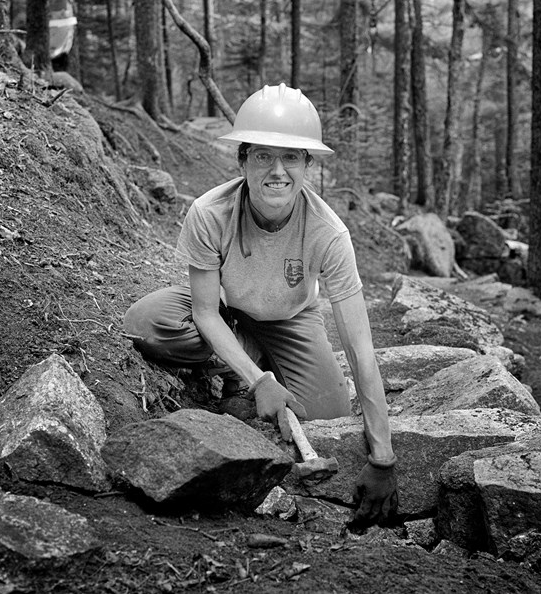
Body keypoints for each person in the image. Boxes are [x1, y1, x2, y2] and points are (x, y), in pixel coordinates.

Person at [124, 83, 398, 526]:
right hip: (227, 312)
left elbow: (361, 348)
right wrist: (258, 382)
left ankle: (251, 355)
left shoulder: (329, 233)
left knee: (329, 415)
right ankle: (247, 358)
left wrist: (383, 456)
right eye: (262, 156)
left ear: (308, 163)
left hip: (292, 320)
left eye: (291, 156)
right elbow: (204, 312)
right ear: (242, 160)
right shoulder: (209, 213)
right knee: (146, 325)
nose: (278, 171)